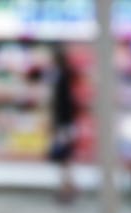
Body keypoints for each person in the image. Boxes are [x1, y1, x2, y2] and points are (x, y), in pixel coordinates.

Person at [48, 44, 78, 202]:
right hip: (65, 123)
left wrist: (60, 124)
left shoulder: (62, 77)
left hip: (64, 124)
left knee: (64, 158)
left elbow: (63, 104)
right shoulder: (63, 75)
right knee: (65, 159)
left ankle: (67, 188)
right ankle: (67, 186)